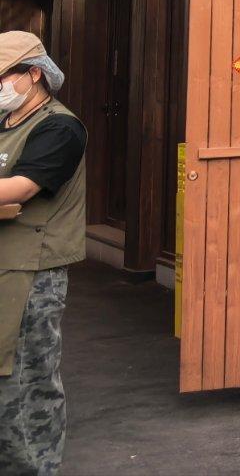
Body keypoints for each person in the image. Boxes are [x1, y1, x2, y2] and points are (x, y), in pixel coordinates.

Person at [0, 32, 81, 476]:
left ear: (34, 73)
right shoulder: (5, 122)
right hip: (3, 265)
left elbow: (23, 187)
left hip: (33, 271)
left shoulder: (60, 127)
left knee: (26, 377)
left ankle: (35, 467)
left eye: (2, 77)